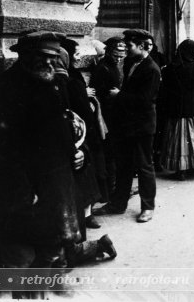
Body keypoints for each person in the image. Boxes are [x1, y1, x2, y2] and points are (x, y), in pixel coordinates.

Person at [0, 31, 83, 278]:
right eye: (43, 57)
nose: (49, 63)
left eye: (54, 57)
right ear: (25, 56)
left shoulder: (55, 83)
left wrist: (81, 154)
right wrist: (23, 190)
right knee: (19, 255)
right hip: (24, 189)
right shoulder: (8, 87)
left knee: (51, 247)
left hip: (56, 183)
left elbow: (67, 127)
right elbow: (5, 149)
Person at [94, 29, 161, 223]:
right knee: (124, 166)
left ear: (141, 46)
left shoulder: (152, 69)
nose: (127, 49)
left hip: (142, 127)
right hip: (128, 126)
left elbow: (145, 100)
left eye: (130, 45)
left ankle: (148, 208)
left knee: (144, 167)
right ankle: (118, 204)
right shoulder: (133, 63)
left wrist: (118, 96)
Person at [58, 40, 104, 231]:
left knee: (87, 175)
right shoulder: (64, 78)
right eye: (75, 54)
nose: (78, 58)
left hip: (82, 132)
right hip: (75, 134)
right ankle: (83, 217)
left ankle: (87, 214)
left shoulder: (72, 75)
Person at [159, 39, 194, 180]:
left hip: (176, 108)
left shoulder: (169, 68)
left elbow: (165, 89)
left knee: (177, 139)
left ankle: (180, 170)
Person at [89, 37, 126, 199]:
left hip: (116, 115)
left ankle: (113, 189)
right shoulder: (102, 68)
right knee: (109, 155)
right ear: (109, 51)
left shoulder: (117, 66)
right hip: (107, 116)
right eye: (116, 54)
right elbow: (102, 95)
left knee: (114, 154)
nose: (119, 57)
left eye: (122, 54)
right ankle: (109, 191)